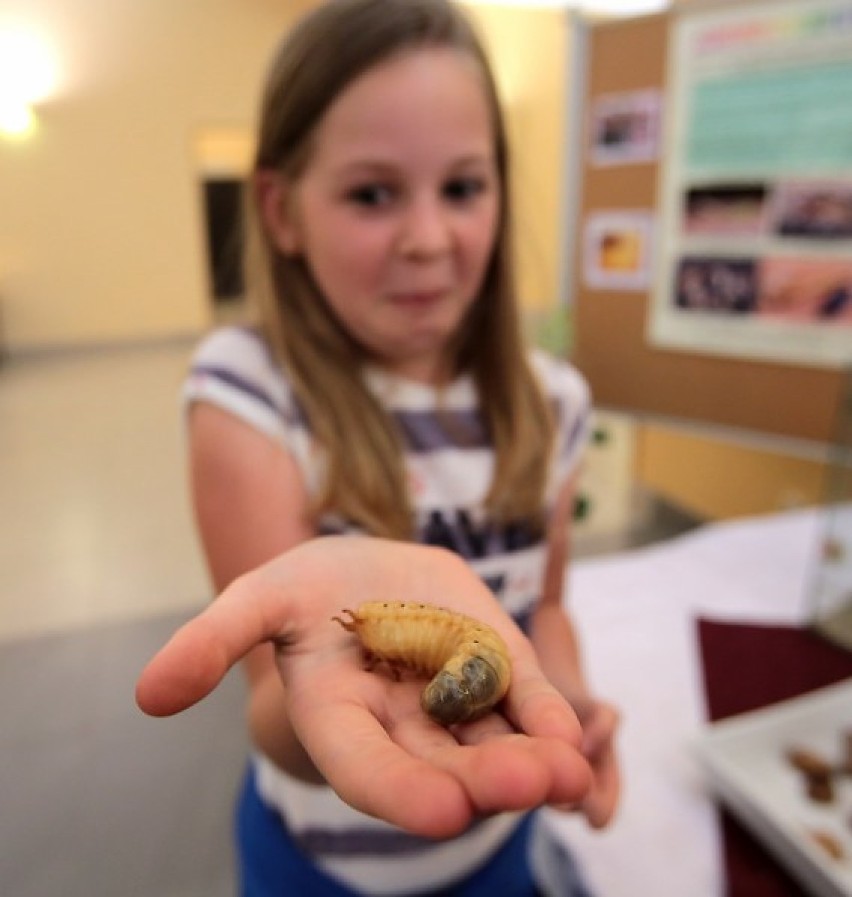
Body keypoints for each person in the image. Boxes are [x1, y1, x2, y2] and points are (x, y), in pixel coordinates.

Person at [135, 0, 620, 894]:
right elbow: (277, 701)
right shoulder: (247, 391)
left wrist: (570, 696)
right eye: (372, 193)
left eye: (464, 187)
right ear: (281, 212)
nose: (429, 239)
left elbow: (544, 607)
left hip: (496, 840)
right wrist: (323, 702)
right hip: (320, 863)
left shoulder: (556, 402)